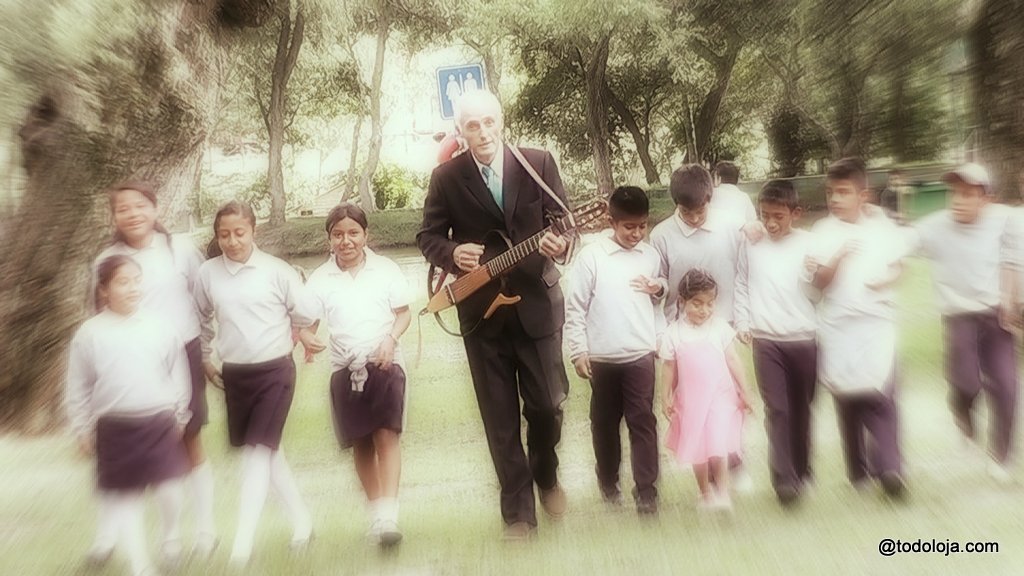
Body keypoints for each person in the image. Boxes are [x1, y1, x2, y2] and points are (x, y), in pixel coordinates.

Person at [417, 89, 572, 541]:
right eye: (472, 125)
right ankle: (518, 513)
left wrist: (559, 244)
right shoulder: (446, 177)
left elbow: (564, 221)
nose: (483, 133)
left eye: (489, 122)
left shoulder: (537, 161)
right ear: (460, 132)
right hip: (481, 313)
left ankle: (545, 472)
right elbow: (427, 235)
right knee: (499, 417)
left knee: (547, 405)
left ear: (501, 121)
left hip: (538, 307)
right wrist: (451, 252)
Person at [91, 181, 217, 558]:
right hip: (131, 358)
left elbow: (203, 303)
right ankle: (108, 537)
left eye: (140, 206)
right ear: (113, 216)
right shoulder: (104, 260)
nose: (133, 214)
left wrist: (207, 351)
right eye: (123, 208)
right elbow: (98, 316)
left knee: (188, 439)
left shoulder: (179, 250)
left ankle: (205, 529)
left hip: (183, 351)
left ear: (155, 208)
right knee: (122, 446)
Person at [193, 201, 318, 565]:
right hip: (235, 375)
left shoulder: (275, 271)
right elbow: (200, 317)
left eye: (239, 233)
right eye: (224, 234)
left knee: (256, 454)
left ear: (253, 231)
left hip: (275, 372)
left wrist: (303, 335)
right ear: (217, 236)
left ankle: (241, 545)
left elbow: (307, 312)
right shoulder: (208, 274)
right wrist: (203, 357)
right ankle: (303, 523)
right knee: (269, 453)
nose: (232, 241)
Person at [67, 255, 191, 576]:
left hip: (159, 422)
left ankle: (170, 537)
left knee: (169, 490)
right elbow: (78, 386)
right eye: (123, 282)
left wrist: (180, 412)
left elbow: (177, 373)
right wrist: (81, 428)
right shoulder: (90, 333)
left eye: (137, 280)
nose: (133, 288)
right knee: (126, 497)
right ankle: (140, 565)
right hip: (115, 426)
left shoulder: (160, 327)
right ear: (104, 290)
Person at [903, 163, 1020, 483]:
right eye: (955, 193)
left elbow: (1015, 257)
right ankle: (965, 424)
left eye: (968, 194)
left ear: (986, 199)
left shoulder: (1006, 220)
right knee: (965, 383)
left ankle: (1000, 456)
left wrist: (1012, 299)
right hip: (958, 317)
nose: (958, 200)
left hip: (996, 316)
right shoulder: (935, 225)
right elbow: (900, 241)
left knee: (1007, 386)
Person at [303, 203, 412, 546]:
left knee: (386, 436)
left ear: (366, 235)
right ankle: (376, 516)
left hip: (385, 364)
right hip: (344, 369)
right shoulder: (321, 278)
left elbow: (403, 313)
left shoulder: (385, 269)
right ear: (329, 239)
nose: (346, 241)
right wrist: (307, 337)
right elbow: (308, 323)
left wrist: (390, 341)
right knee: (361, 443)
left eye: (353, 233)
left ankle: (390, 518)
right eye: (338, 234)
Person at [806, 157, 907, 499]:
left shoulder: (882, 228)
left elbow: (899, 267)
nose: (835, 199)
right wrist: (838, 258)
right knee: (848, 397)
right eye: (831, 192)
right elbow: (818, 284)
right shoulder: (822, 232)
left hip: (877, 323)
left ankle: (891, 469)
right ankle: (858, 470)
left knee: (882, 395)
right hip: (838, 326)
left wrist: (885, 281)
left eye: (844, 192)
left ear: (862, 195)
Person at [649, 163, 752, 490]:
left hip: (723, 330)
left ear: (711, 198)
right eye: (686, 212)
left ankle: (734, 462)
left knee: (728, 400)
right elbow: (658, 287)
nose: (694, 218)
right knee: (694, 406)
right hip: (683, 336)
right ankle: (704, 472)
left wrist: (743, 320)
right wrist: (661, 332)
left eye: (700, 210)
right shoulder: (661, 235)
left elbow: (744, 276)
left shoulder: (734, 227)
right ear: (675, 204)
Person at [564, 186, 663, 515]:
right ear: (611, 221)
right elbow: (575, 308)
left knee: (642, 421)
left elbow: (657, 303)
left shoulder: (650, 256)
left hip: (640, 355)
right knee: (604, 423)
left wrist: (658, 290)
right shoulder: (592, 257)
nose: (636, 233)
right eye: (629, 227)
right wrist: (579, 351)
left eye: (642, 226)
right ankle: (608, 480)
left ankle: (646, 489)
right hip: (603, 358)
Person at [734, 180, 818, 506]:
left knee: (801, 409)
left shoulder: (810, 244)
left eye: (778, 216)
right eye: (764, 215)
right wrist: (743, 321)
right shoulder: (751, 243)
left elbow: (819, 294)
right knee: (778, 410)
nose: (770, 223)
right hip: (766, 340)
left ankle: (803, 469)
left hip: (804, 338)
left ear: (795, 213)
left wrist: (814, 273)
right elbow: (741, 283)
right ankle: (784, 480)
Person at [660, 269, 752, 512]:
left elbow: (733, 360)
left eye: (710, 304)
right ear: (682, 302)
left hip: (720, 397)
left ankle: (723, 492)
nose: (704, 310)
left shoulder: (719, 327)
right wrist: (665, 396)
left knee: (718, 443)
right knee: (699, 448)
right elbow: (669, 368)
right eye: (697, 304)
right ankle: (704, 493)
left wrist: (745, 391)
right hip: (690, 402)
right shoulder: (673, 333)